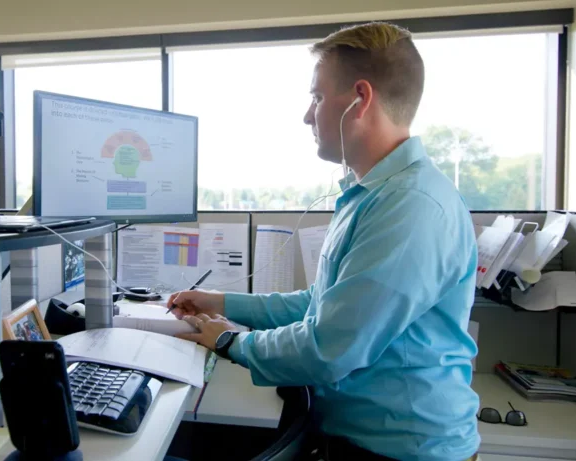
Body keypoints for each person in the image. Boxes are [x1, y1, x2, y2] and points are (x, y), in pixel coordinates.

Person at [169, 21, 480, 461]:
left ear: (360, 98)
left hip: (400, 453)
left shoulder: (411, 206)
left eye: (316, 96)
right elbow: (322, 305)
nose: (307, 114)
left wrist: (229, 342)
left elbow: (330, 347)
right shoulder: (373, 194)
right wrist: (221, 302)